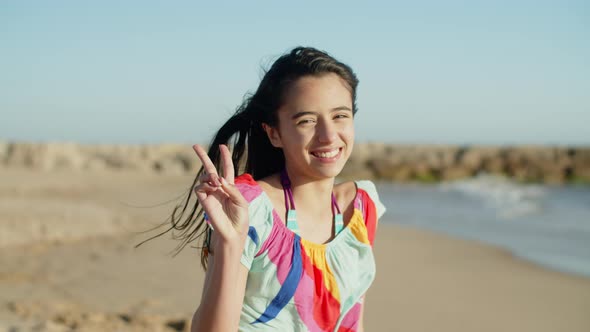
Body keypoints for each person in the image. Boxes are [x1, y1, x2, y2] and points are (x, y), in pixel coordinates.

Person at [170, 46, 386, 331]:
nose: (329, 135)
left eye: (340, 116)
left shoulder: (361, 205)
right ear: (274, 133)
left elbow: (351, 319)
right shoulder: (249, 209)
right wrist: (232, 244)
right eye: (306, 120)